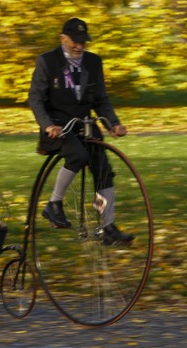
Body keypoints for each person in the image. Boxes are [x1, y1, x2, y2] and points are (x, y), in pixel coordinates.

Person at [28, 17, 134, 245]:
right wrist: (48, 125)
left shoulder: (94, 62)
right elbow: (35, 99)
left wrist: (113, 123)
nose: (79, 46)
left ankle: (107, 226)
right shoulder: (47, 61)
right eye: (74, 41)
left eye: (83, 42)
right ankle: (54, 204)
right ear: (63, 39)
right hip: (58, 126)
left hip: (85, 125)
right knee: (78, 155)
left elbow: (101, 98)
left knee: (103, 170)